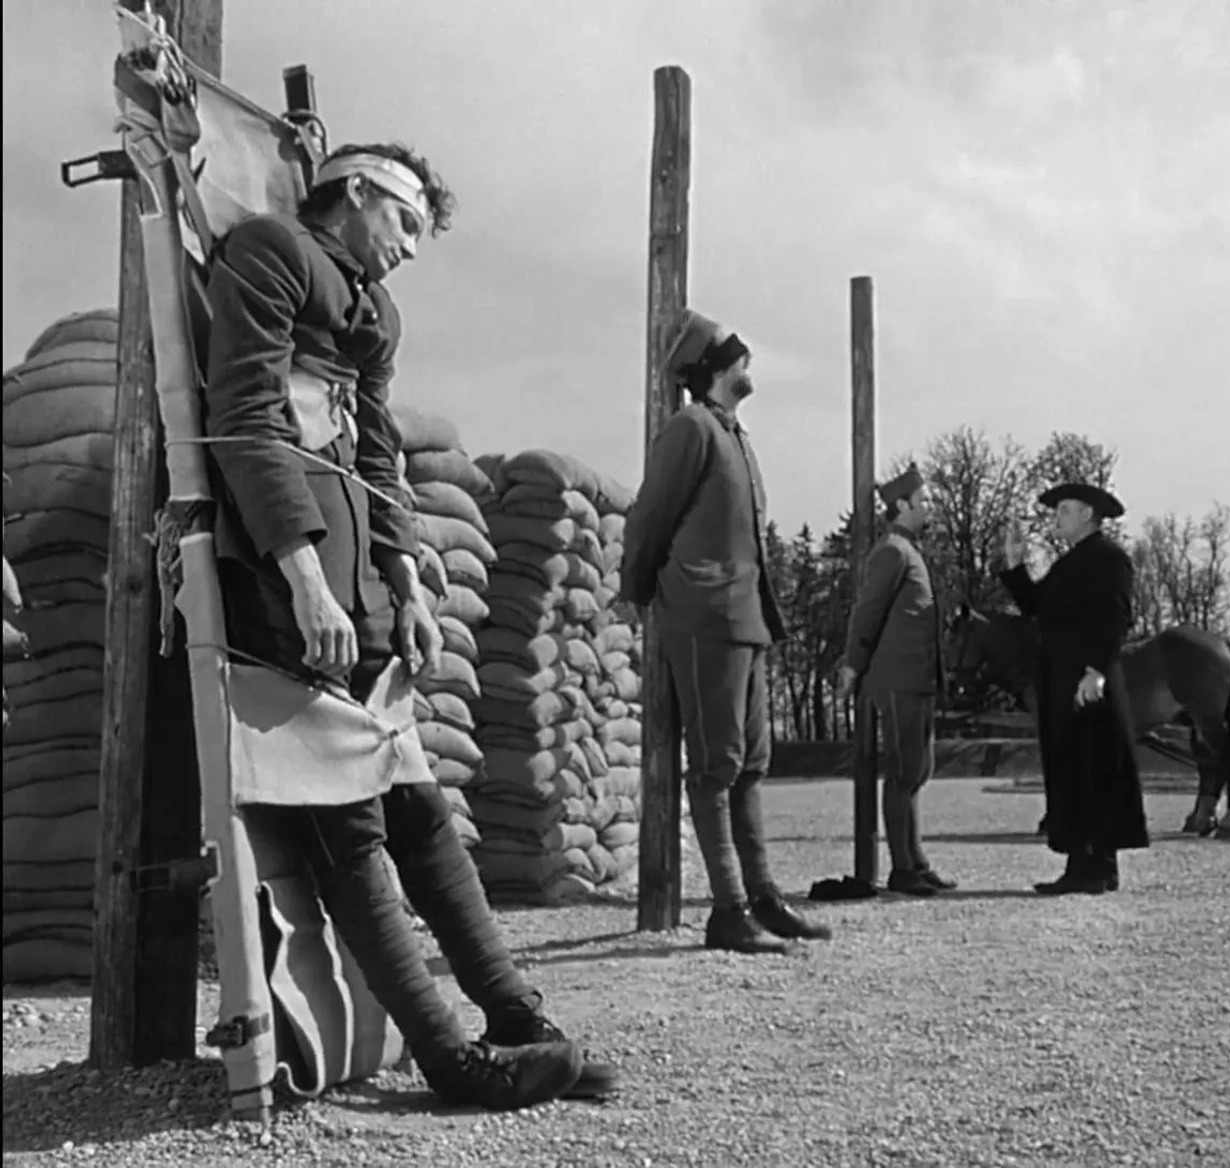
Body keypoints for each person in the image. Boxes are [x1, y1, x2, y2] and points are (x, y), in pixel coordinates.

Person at [202, 142, 615, 1109]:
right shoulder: (270, 253)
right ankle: (447, 1057)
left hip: (365, 593)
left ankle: (514, 1013)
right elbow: (247, 418)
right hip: (281, 583)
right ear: (355, 194)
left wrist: (411, 582)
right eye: (408, 224)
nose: (413, 250)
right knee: (350, 830)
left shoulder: (371, 312)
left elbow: (377, 453)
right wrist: (301, 572)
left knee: (419, 807)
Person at [620, 307, 832, 955]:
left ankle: (762, 896)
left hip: (748, 618)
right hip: (706, 615)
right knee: (716, 767)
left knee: (752, 765)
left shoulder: (734, 433)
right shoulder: (690, 430)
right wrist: (636, 591)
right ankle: (728, 909)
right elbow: (649, 516)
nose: (750, 364)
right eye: (739, 356)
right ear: (714, 369)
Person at [998, 483, 1149, 895]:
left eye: (1064, 510)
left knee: (1095, 767)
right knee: (1073, 769)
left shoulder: (1109, 559)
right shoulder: (1070, 563)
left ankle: (1098, 865)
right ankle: (1083, 864)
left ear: (1086, 514)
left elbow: (1116, 618)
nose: (1057, 517)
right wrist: (1015, 567)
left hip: (1088, 680)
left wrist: (1097, 669)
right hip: (1063, 679)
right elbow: (1037, 606)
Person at [837, 464, 954, 896]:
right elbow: (866, 613)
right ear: (901, 506)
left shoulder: (909, 551)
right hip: (897, 679)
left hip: (916, 679)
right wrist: (853, 665)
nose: (929, 508)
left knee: (917, 771)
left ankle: (916, 861)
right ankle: (902, 869)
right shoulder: (892, 552)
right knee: (905, 772)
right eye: (923, 501)